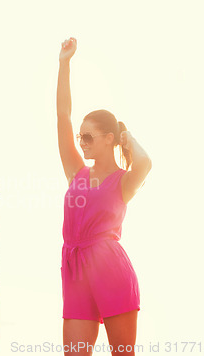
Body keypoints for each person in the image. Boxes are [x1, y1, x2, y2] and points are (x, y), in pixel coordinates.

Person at [57, 37, 152, 356]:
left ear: (109, 138)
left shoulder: (124, 182)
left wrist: (129, 139)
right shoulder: (76, 172)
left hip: (110, 270)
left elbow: (145, 162)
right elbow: (62, 116)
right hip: (75, 270)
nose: (81, 142)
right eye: (79, 137)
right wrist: (64, 63)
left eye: (88, 137)